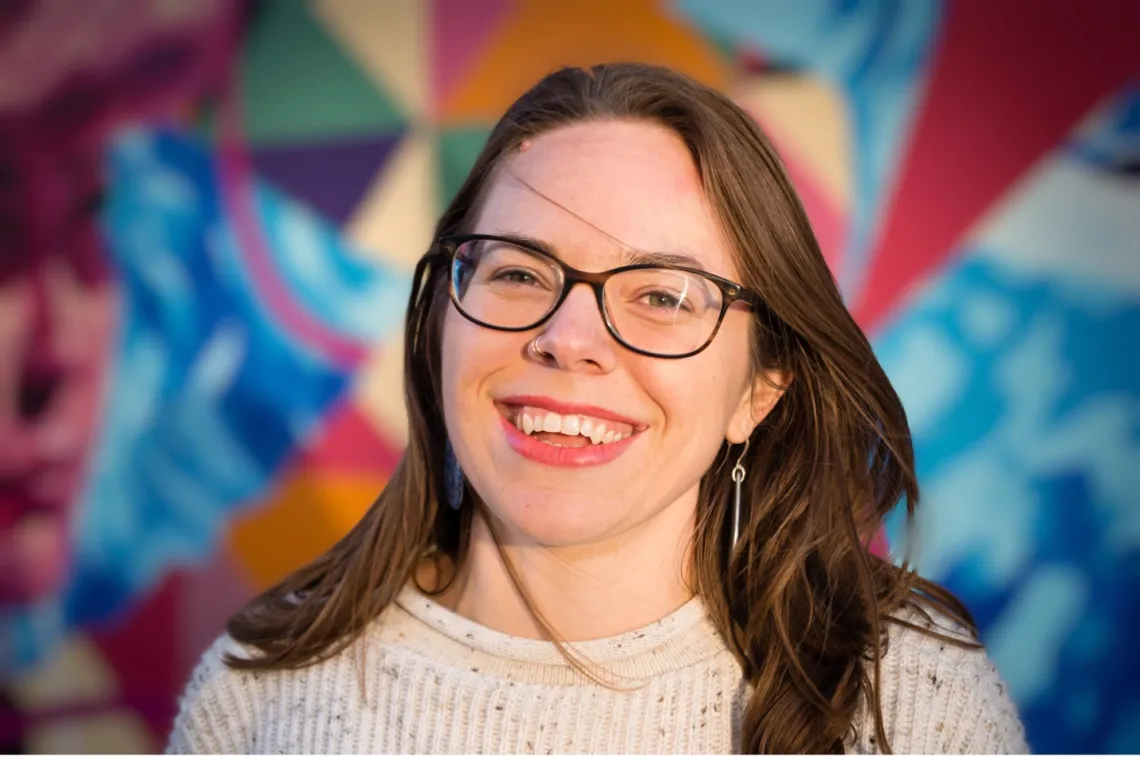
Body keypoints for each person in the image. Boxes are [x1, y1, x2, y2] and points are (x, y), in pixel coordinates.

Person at [167, 63, 1028, 754]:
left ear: (757, 393)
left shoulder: (905, 699)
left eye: (662, 295)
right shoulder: (259, 696)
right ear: (438, 330)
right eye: (516, 272)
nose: (568, 337)